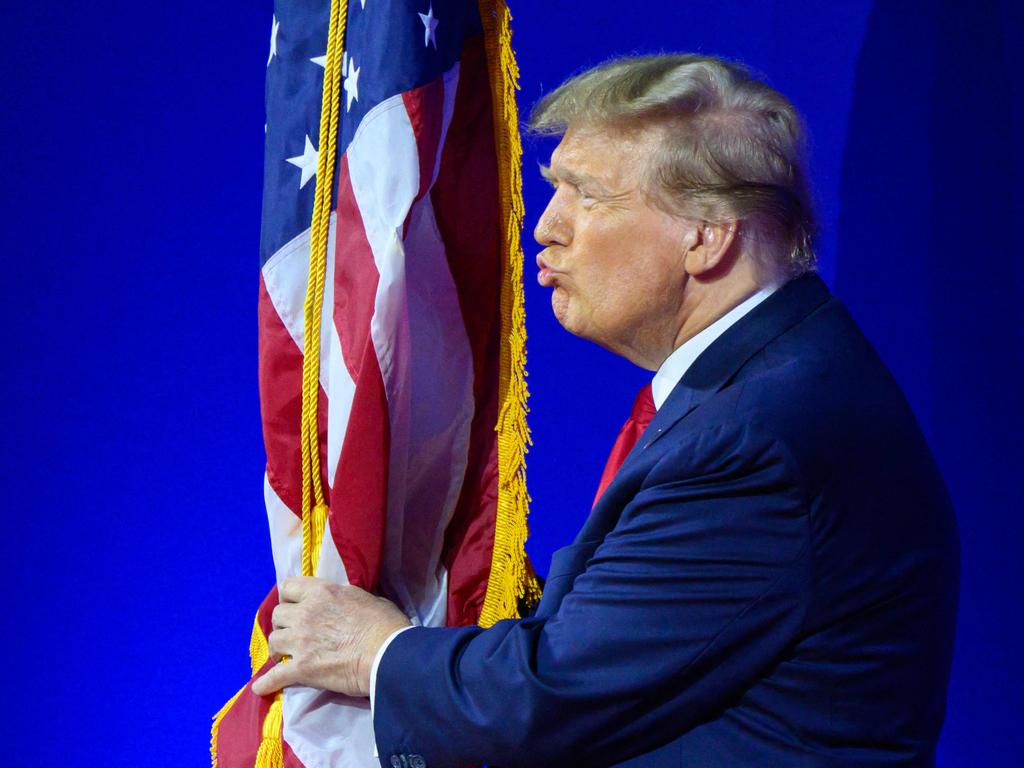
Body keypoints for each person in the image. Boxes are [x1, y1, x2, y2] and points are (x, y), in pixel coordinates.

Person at [252, 54, 960, 767]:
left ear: (707, 235)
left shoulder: (758, 439)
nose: (546, 226)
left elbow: (550, 696)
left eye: (588, 196)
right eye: (554, 187)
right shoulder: (766, 378)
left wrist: (375, 651)